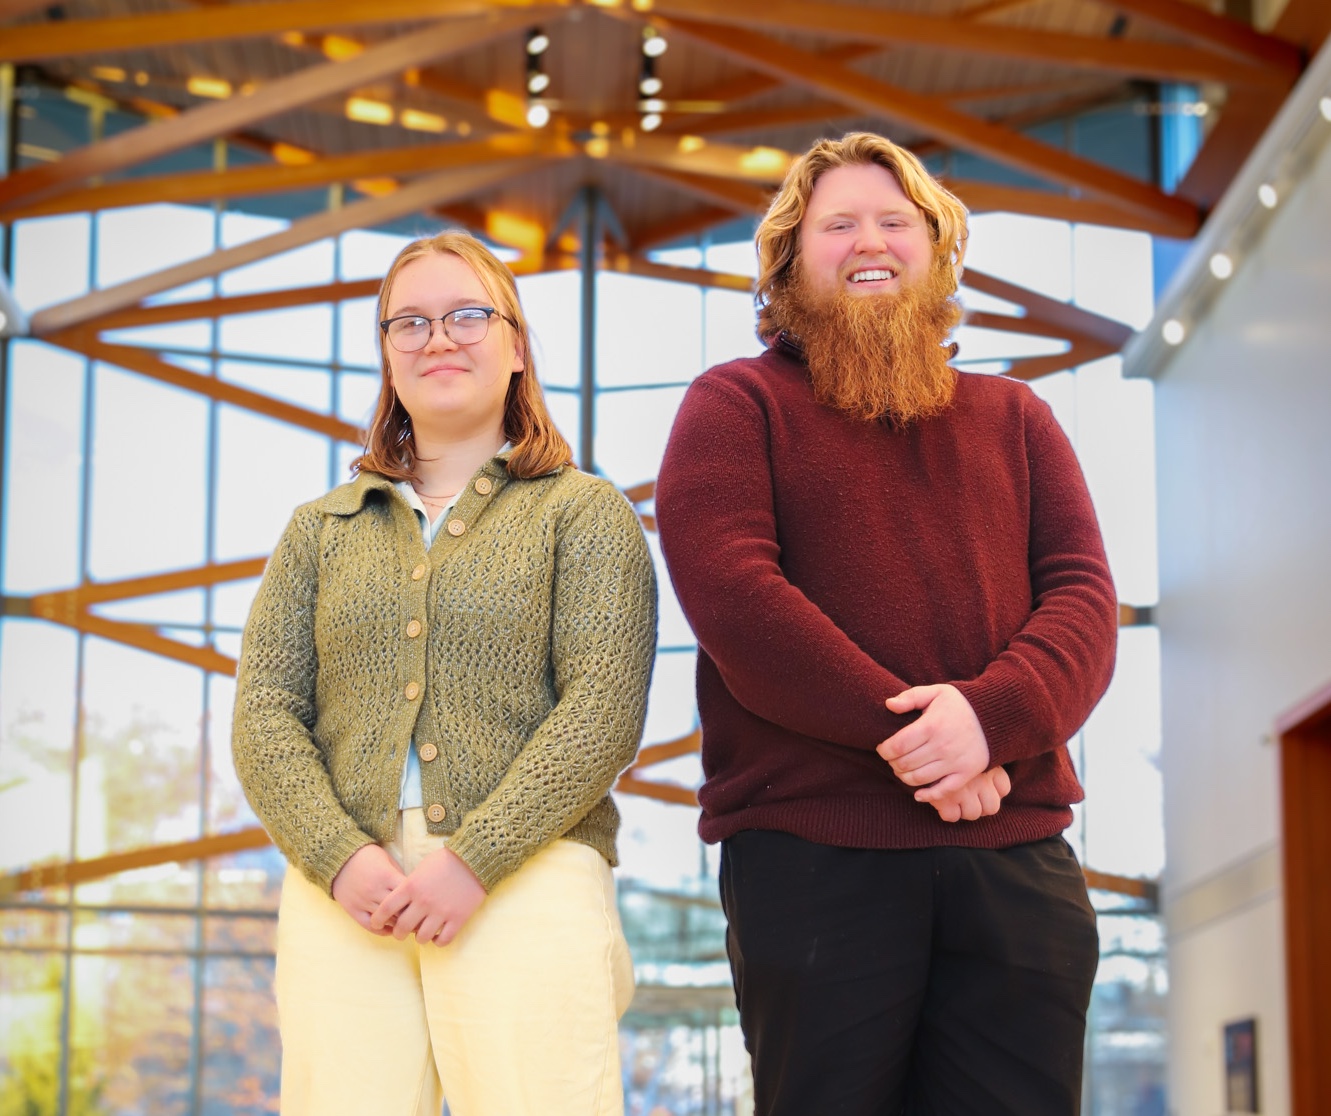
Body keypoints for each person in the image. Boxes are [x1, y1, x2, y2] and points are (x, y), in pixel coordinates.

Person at [655, 133, 1119, 1115]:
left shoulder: (1017, 418)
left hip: (1015, 856)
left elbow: (1080, 599)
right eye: (837, 224)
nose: (868, 241)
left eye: (892, 221)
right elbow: (739, 603)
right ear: (788, 261)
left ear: (934, 249)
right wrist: (928, 739)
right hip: (815, 858)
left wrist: (987, 721)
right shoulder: (734, 406)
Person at [232, 230, 657, 1116]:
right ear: (387, 355)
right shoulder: (320, 529)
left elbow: (601, 711)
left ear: (514, 345)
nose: (438, 339)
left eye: (467, 315)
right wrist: (339, 855)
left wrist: (475, 857)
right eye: (409, 323)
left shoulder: (584, 513)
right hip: (345, 893)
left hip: (528, 873)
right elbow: (264, 715)